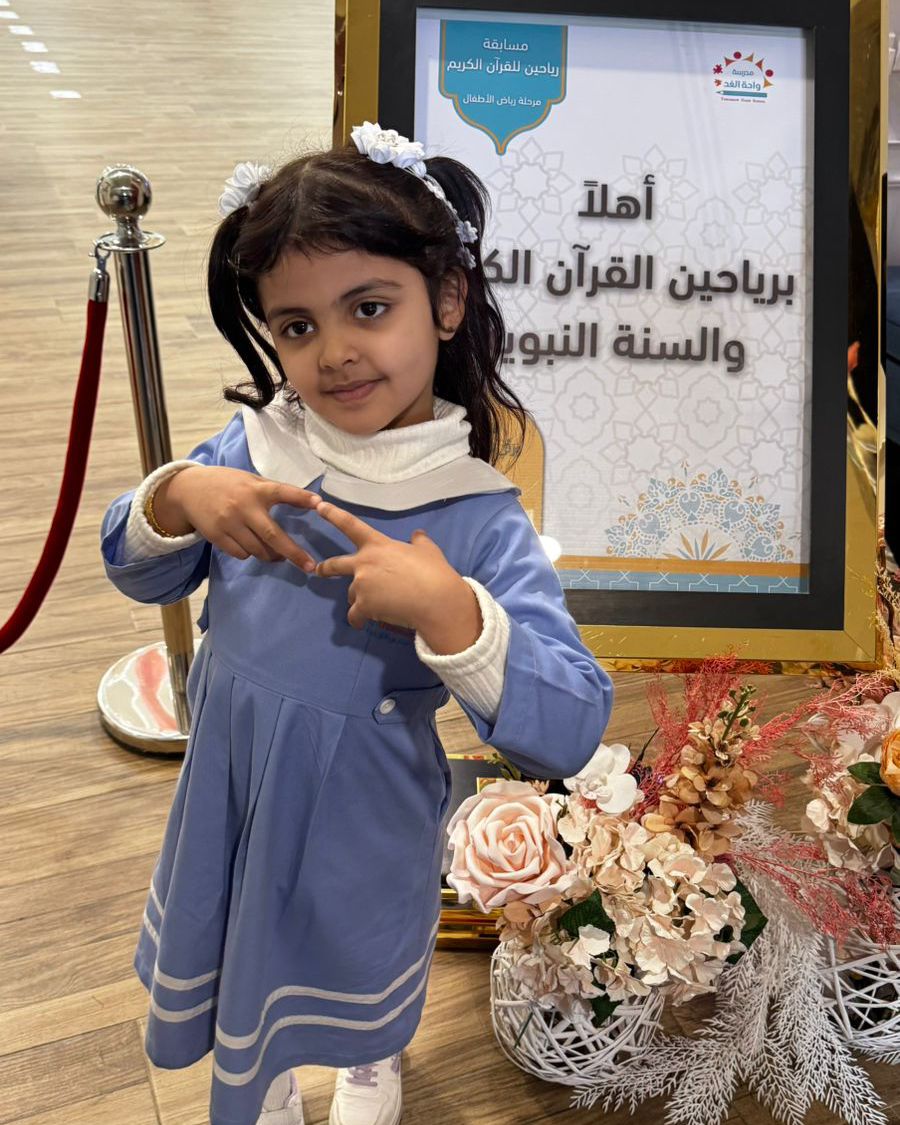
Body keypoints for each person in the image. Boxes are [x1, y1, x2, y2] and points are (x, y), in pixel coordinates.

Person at [100, 122, 614, 1125]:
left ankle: (372, 1057)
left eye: (369, 308)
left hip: (363, 806)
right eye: (296, 326)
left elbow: (573, 723)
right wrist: (180, 494)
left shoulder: (476, 514)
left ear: (448, 300)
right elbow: (131, 563)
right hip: (233, 784)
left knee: (356, 947)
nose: (334, 352)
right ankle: (264, 1077)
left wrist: (455, 616)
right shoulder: (251, 448)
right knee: (246, 943)